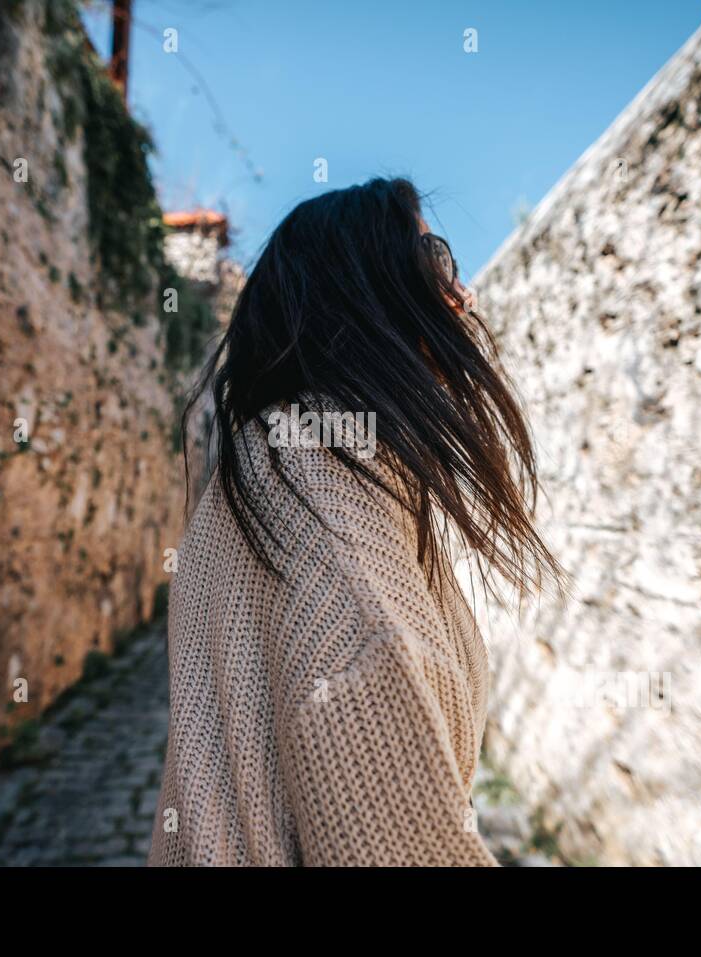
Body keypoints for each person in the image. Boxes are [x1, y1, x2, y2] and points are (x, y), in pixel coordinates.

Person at [148, 177, 563, 866]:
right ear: (366, 288)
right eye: (434, 259)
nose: (464, 296)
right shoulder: (318, 471)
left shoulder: (272, 461)